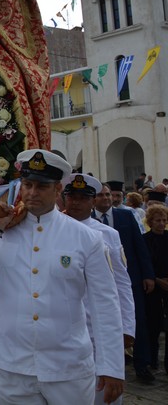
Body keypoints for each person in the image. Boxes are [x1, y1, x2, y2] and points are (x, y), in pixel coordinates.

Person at [0, 149, 124, 404]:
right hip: (11, 363)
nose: (32, 192)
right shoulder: (4, 229)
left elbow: (105, 303)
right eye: (27, 184)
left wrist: (112, 366)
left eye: (41, 186)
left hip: (67, 365)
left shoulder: (86, 238)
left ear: (58, 189)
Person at [61, 173, 135, 405]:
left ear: (93, 201)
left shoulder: (108, 234)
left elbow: (122, 282)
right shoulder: (53, 230)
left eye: (83, 197)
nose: (76, 202)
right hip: (65, 323)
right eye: (71, 196)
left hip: (99, 322)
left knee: (103, 393)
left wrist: (127, 326)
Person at [94, 183, 155, 383]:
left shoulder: (125, 217)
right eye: (101, 195)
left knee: (138, 320)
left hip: (131, 280)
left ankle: (142, 364)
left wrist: (148, 275)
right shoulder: (87, 221)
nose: (106, 198)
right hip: (101, 283)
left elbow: (140, 247)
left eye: (108, 195)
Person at [143, 204, 168, 374]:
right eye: (158, 220)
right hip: (153, 287)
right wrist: (157, 280)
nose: (161, 223)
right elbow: (145, 264)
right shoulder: (144, 239)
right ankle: (152, 359)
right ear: (150, 222)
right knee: (153, 325)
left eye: (164, 220)